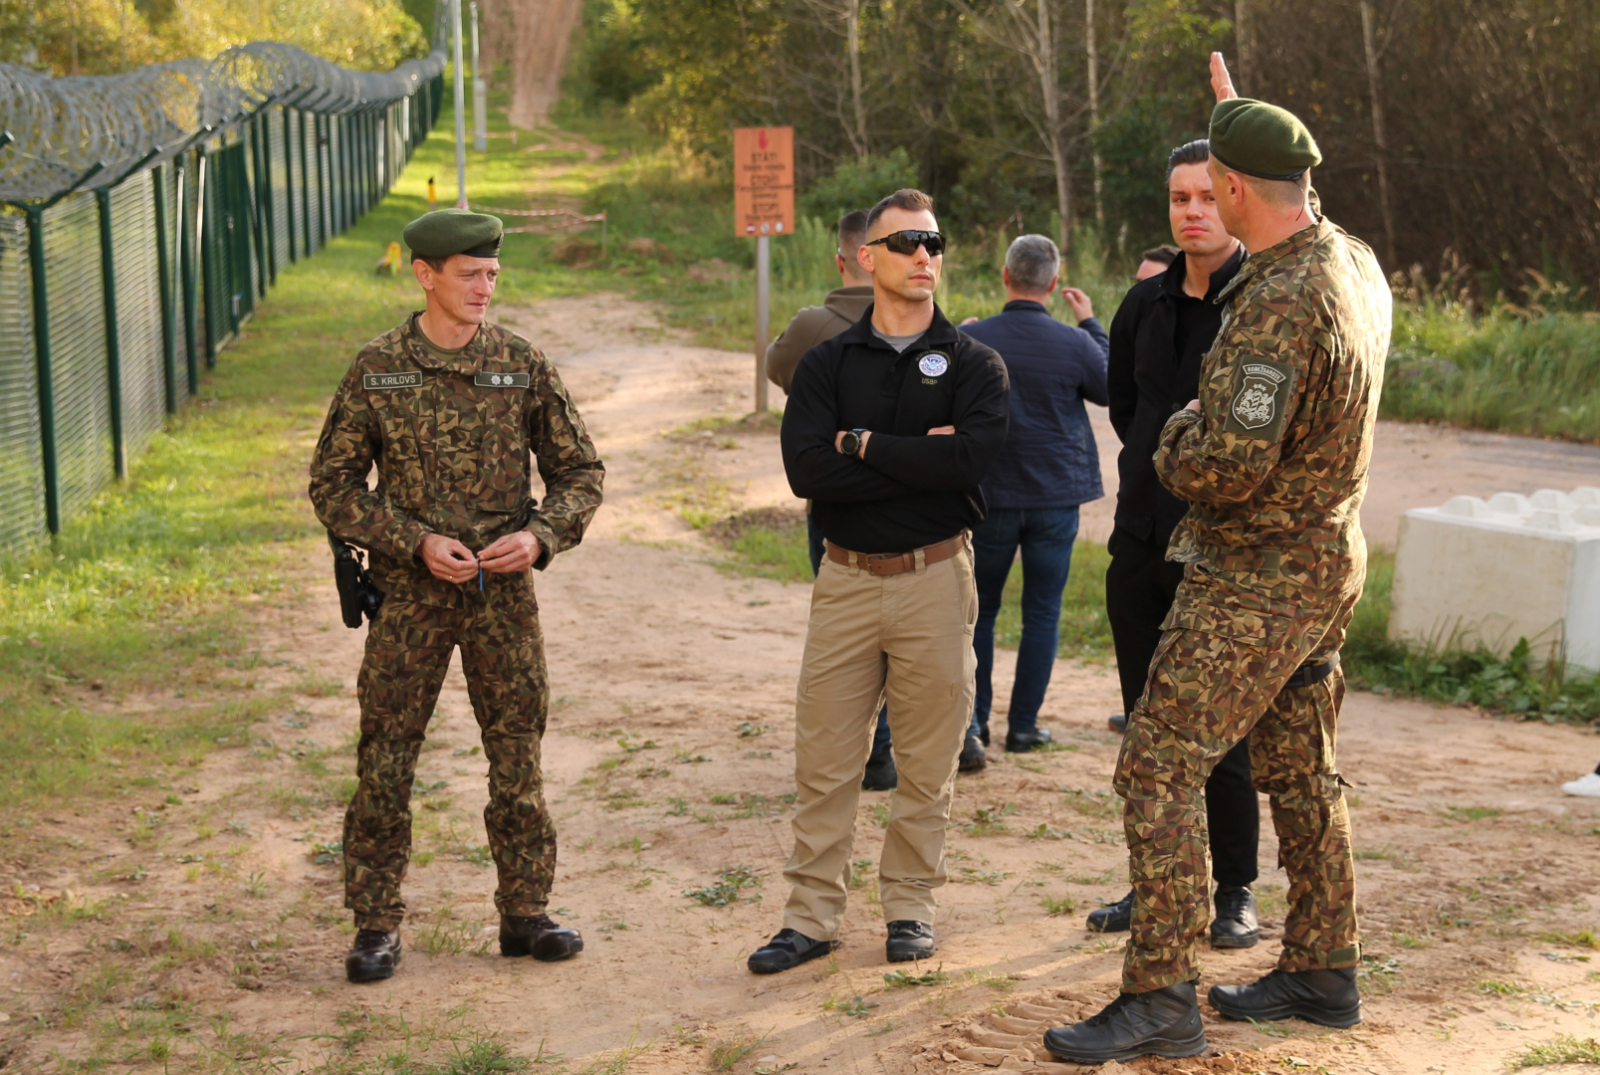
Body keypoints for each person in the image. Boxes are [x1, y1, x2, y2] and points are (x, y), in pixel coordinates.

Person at [1043, 54, 1391, 1062]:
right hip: (1327, 559)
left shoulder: (1280, 299)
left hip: (1257, 575)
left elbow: (1225, 465)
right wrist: (1239, 109)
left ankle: (1160, 992)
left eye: (1214, 184)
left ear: (1234, 192)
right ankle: (1323, 966)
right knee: (1300, 767)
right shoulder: (1352, 262)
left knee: (1156, 761)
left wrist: (1174, 432)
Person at [309, 209, 605, 984]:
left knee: (517, 758)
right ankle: (375, 922)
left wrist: (540, 536)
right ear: (425, 274)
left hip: (502, 597)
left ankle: (525, 911)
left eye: (493, 274)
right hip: (411, 598)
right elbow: (332, 485)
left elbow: (581, 472)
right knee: (386, 760)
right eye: (470, 273)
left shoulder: (520, 363)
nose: (485, 286)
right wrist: (411, 540)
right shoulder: (378, 370)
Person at [749, 188, 1009, 974]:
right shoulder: (827, 361)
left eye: (934, 242)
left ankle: (909, 908)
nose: (924, 256)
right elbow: (806, 471)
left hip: (936, 577)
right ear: (868, 259)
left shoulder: (974, 364)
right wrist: (916, 457)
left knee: (928, 759)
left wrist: (862, 447)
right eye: (906, 244)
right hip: (848, 580)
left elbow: (970, 463)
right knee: (825, 758)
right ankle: (811, 917)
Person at [1090, 139, 1260, 950]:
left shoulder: (1261, 301)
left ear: (1232, 199)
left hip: (1221, 556)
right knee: (1145, 726)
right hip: (1140, 542)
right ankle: (1155, 884)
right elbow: (1128, 409)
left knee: (1218, 734)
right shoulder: (1142, 306)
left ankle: (1233, 892)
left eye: (1203, 196)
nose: (1190, 210)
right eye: (1176, 198)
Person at [955, 235, 1108, 774]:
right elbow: (1112, 387)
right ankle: (1023, 727)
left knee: (979, 615)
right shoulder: (1072, 341)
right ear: (1052, 283)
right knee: (1043, 612)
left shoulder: (974, 340)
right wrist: (1091, 324)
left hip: (990, 497)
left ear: (1005, 276)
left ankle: (971, 728)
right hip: (1055, 497)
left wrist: (960, 334)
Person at [767, 210, 896, 793]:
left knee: (843, 635)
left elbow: (778, 367)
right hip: (915, 506)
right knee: (911, 635)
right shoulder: (922, 326)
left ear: (842, 260)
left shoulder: (816, 323)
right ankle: (887, 753)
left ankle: (847, 751)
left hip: (836, 505)